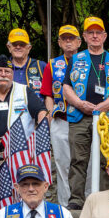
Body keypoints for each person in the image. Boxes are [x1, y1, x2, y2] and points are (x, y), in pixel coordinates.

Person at [61, 16, 109, 210]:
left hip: (107, 119)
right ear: (84, 36)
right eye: (90, 32)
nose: (95, 35)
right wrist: (80, 103)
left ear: (104, 36)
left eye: (98, 32)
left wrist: (104, 106)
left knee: (107, 160)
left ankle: (105, 198)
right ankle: (76, 200)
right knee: (78, 160)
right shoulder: (76, 59)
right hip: (80, 116)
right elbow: (66, 87)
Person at [39, 24, 82, 206]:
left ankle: (85, 204)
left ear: (79, 42)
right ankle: (66, 205)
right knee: (63, 165)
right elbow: (48, 94)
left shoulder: (87, 61)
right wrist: (49, 119)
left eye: (71, 38)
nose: (68, 42)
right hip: (61, 119)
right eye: (64, 38)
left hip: (82, 120)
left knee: (83, 163)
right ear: (59, 42)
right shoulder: (52, 64)